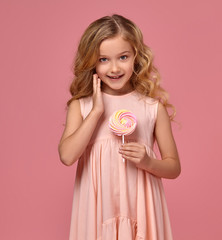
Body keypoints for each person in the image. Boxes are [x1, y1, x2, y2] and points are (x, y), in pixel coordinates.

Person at [58, 14, 181, 240]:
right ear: (92, 62)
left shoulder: (152, 108)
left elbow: (174, 167)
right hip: (98, 208)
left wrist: (148, 162)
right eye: (103, 59)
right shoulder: (82, 107)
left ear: (136, 55)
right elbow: (67, 156)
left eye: (123, 57)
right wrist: (96, 112)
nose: (114, 68)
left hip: (141, 208)